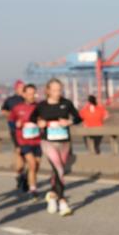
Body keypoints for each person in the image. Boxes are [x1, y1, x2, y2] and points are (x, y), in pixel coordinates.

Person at [30, 78, 82, 216]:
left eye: (59, 90)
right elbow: (32, 118)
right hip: (48, 142)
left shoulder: (66, 103)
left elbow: (78, 118)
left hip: (64, 141)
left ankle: (52, 195)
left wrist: (69, 122)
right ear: (47, 91)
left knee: (58, 171)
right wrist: (39, 122)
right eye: (54, 90)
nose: (57, 93)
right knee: (58, 169)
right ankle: (63, 201)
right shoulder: (41, 106)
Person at [8, 83, 43, 199]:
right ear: (23, 94)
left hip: (37, 141)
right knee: (32, 164)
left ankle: (25, 178)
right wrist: (16, 126)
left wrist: (42, 124)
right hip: (24, 141)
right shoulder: (17, 108)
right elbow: (11, 122)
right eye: (28, 94)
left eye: (33, 94)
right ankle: (33, 189)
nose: (31, 96)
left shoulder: (39, 107)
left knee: (36, 166)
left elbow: (44, 121)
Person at [1, 79, 27, 192]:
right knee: (19, 152)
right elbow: (3, 111)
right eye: (21, 88)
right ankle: (20, 174)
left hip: (29, 131)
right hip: (15, 130)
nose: (23, 90)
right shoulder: (11, 100)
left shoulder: (28, 99)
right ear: (16, 89)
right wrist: (13, 116)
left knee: (28, 153)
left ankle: (25, 173)